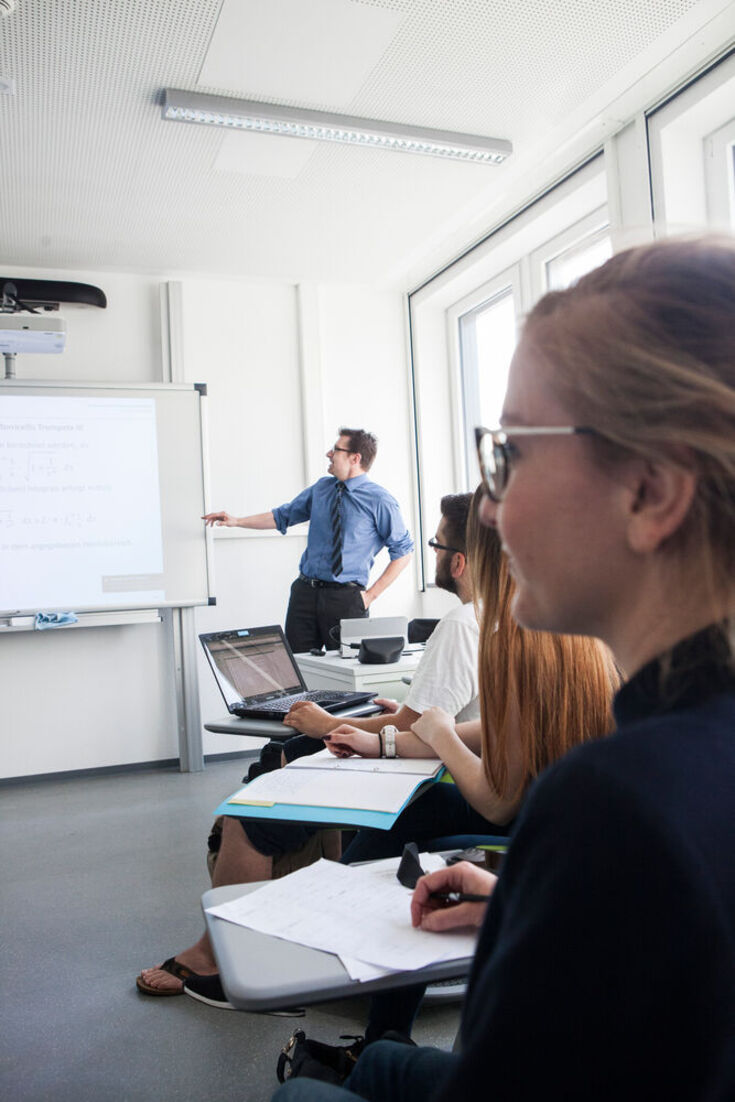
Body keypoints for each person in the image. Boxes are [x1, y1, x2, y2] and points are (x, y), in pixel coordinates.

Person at [273, 236, 735, 1102]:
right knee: (374, 1064)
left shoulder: (613, 802)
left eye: (508, 455)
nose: (488, 507)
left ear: (651, 490)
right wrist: (543, 911)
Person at [136, 492, 479, 1004]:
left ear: (459, 560)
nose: (430, 552)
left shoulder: (461, 623)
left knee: (254, 809)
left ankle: (225, 962)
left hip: (438, 779)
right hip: (455, 770)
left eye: (436, 543)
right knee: (297, 753)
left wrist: (328, 725)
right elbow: (437, 721)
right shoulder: (518, 616)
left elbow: (422, 733)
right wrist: (377, 720)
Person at [202, 428, 414, 653]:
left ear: (355, 458)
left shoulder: (379, 500)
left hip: (346, 600)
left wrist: (370, 596)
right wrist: (236, 521)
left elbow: (403, 551)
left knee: (347, 671)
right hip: (305, 594)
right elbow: (283, 516)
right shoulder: (322, 488)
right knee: (297, 669)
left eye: (335, 450)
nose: (328, 454)